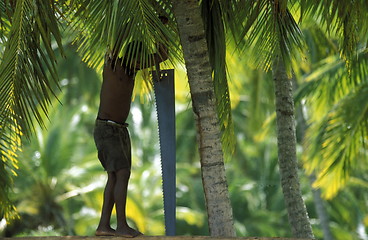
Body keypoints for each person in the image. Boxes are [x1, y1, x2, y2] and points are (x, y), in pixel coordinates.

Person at [93, 17, 168, 238]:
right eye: (139, 60)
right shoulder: (113, 65)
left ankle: (104, 226)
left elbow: (163, 55)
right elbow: (114, 42)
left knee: (115, 176)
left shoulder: (132, 69)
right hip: (107, 128)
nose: (141, 64)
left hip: (119, 129)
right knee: (122, 174)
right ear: (132, 56)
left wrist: (159, 28)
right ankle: (122, 226)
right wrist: (133, 19)